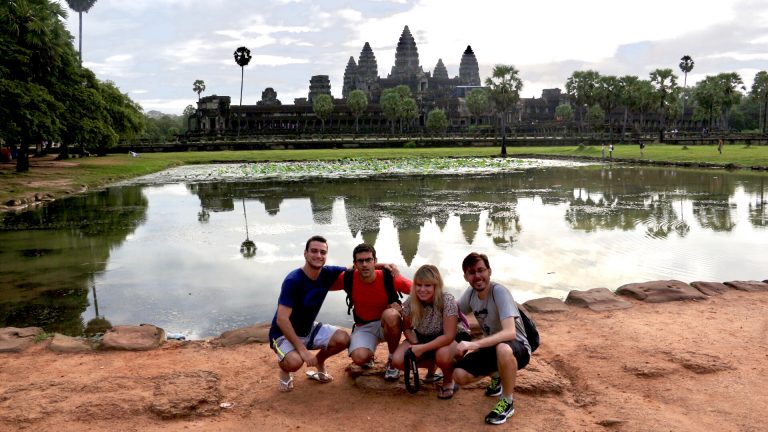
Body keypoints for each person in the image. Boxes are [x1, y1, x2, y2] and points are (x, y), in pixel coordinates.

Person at [453, 252, 532, 425]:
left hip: (517, 348)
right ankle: (497, 375)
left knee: (503, 348)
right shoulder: (471, 294)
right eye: (472, 272)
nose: (477, 276)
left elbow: (510, 332)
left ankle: (507, 401)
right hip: (493, 347)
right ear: (466, 276)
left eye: (481, 270)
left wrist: (474, 344)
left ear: (489, 271)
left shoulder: (499, 292)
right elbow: (452, 310)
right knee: (459, 375)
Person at [268, 235, 350, 392]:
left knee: (343, 338)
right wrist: (303, 350)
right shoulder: (293, 281)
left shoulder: (327, 273)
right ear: (305, 254)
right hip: (282, 334)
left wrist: (385, 265)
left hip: (308, 329)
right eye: (314, 251)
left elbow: (357, 268)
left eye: (323, 252)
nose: (319, 256)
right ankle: (284, 370)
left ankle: (319, 361)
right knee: (294, 362)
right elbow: (282, 319)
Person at [331, 243, 412, 380]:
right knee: (359, 358)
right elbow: (321, 284)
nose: (364, 264)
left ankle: (392, 360)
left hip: (387, 324)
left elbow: (420, 290)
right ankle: (369, 355)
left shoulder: (389, 277)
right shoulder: (348, 278)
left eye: (368, 260)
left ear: (375, 261)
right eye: (360, 261)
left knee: (391, 314)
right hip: (364, 326)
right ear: (355, 264)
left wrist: (404, 307)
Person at [391, 264, 470, 399]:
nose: (422, 289)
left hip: (450, 337)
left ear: (436, 285)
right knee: (397, 360)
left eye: (427, 285)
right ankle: (432, 364)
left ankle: (448, 379)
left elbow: (449, 336)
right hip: (422, 337)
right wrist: (414, 343)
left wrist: (422, 349)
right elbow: (407, 327)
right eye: (419, 285)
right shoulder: (411, 301)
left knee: (443, 355)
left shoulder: (447, 300)